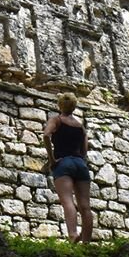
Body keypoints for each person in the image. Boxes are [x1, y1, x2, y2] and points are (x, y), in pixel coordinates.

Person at [42, 92, 93, 243]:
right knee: (85, 206)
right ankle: (87, 242)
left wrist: (51, 159)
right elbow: (84, 150)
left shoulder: (56, 120)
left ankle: (73, 235)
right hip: (80, 164)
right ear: (74, 106)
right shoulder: (80, 127)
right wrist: (81, 160)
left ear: (60, 105)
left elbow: (46, 135)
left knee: (67, 201)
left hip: (63, 163)